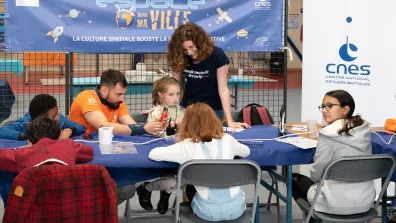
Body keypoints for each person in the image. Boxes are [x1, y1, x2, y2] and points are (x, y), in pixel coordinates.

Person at [145, 102, 250, 220]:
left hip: (206, 212)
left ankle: (153, 189)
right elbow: (246, 152)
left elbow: (152, 154)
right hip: (236, 209)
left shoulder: (186, 146)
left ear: (186, 123)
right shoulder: (228, 139)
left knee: (186, 178)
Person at [291, 90, 375, 222]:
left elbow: (316, 176)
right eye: (323, 106)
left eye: (330, 106)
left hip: (333, 203)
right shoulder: (364, 130)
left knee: (292, 179)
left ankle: (315, 219)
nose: (324, 110)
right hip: (366, 201)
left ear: (345, 109)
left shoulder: (328, 135)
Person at [166, 22, 249, 129]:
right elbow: (174, 87)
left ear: (199, 42)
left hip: (213, 110)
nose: (189, 52)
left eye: (191, 47)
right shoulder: (180, 57)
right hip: (189, 108)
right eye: (185, 50)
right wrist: (164, 109)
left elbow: (223, 89)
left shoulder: (217, 55)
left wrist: (229, 120)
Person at [69, 69, 164, 136]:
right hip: (79, 144)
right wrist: (142, 128)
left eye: (123, 94)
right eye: (118, 94)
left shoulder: (118, 103)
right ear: (104, 91)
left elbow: (131, 125)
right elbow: (103, 126)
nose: (122, 99)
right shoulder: (86, 97)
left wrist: (152, 128)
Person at [0, 116, 94, 173]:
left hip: (35, 203)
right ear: (58, 137)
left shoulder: (20, 155)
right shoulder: (69, 146)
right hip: (66, 202)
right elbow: (89, 152)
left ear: (29, 141)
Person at [0, 94, 86, 140]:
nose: (58, 117)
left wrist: (70, 130)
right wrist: (30, 135)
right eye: (54, 116)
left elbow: (81, 127)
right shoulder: (26, 122)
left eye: (58, 112)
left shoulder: (61, 120)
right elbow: (2, 131)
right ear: (39, 120)